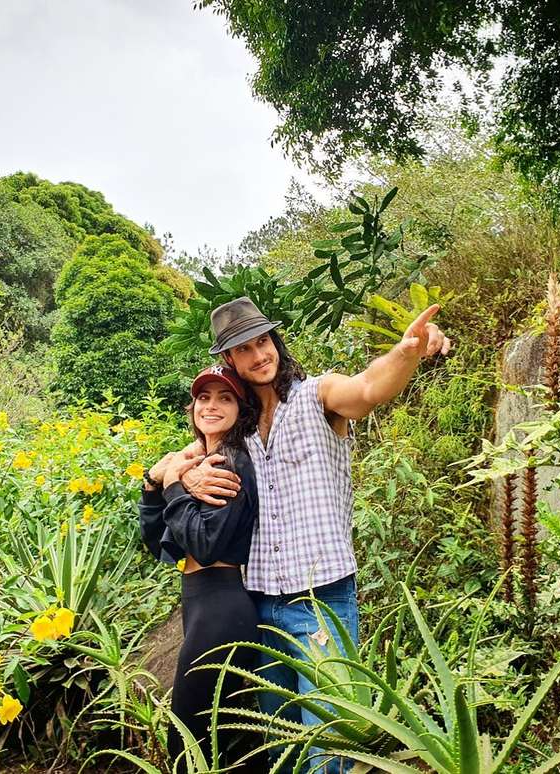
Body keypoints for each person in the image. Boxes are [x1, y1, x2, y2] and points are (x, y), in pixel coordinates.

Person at [179, 297, 451, 773]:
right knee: (283, 746)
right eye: (245, 349)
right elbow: (176, 459)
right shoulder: (236, 428)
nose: (259, 355)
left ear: (276, 342)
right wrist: (184, 476)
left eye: (264, 341)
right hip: (260, 603)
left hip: (322, 600)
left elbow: (368, 387)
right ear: (230, 361)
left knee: (331, 749)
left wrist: (406, 352)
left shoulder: (318, 396)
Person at [138, 364, 261, 772]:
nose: (211, 405)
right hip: (201, 603)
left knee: (186, 739)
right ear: (192, 407)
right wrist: (154, 485)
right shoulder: (197, 463)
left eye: (225, 397)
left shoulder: (231, 461)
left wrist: (175, 485)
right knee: (207, 737)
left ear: (241, 408)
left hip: (223, 606)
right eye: (203, 397)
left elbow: (206, 546)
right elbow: (160, 543)